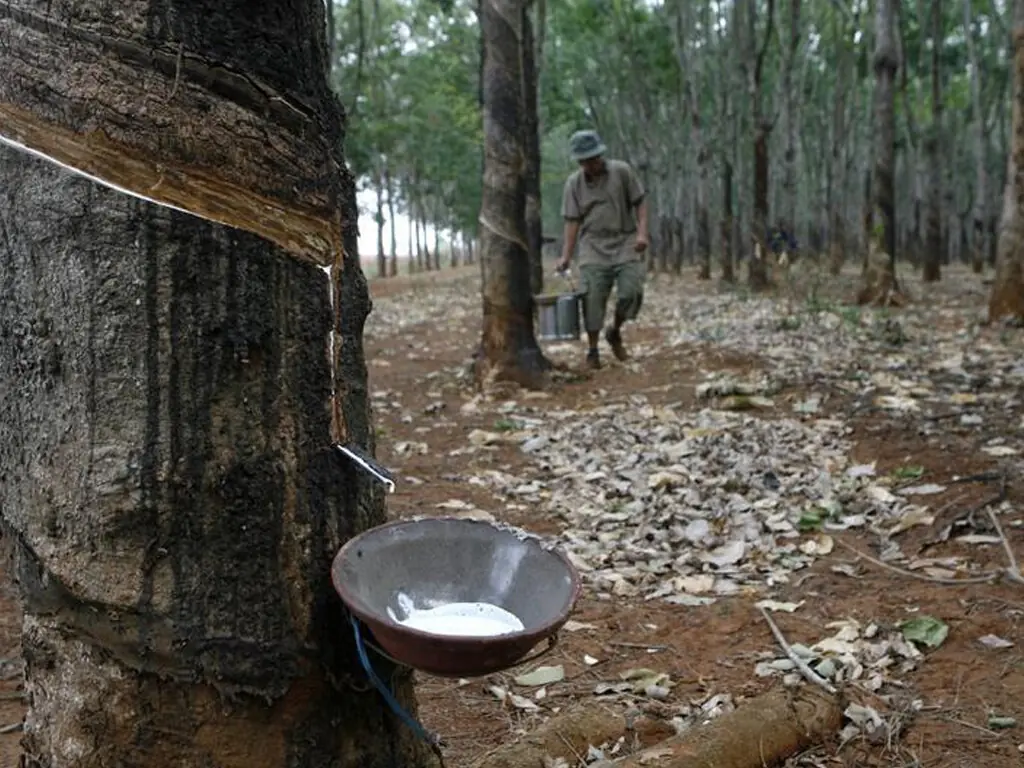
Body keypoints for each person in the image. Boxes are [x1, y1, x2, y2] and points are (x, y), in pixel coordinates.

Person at [556, 129, 648, 370]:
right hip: (593, 245)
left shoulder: (622, 171)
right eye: (585, 161)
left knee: (631, 292)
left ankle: (615, 329)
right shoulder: (574, 184)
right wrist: (566, 256)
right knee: (592, 298)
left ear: (601, 154)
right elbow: (572, 222)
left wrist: (642, 233)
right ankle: (593, 350)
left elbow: (640, 202)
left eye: (594, 158)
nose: (591, 164)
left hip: (625, 239)